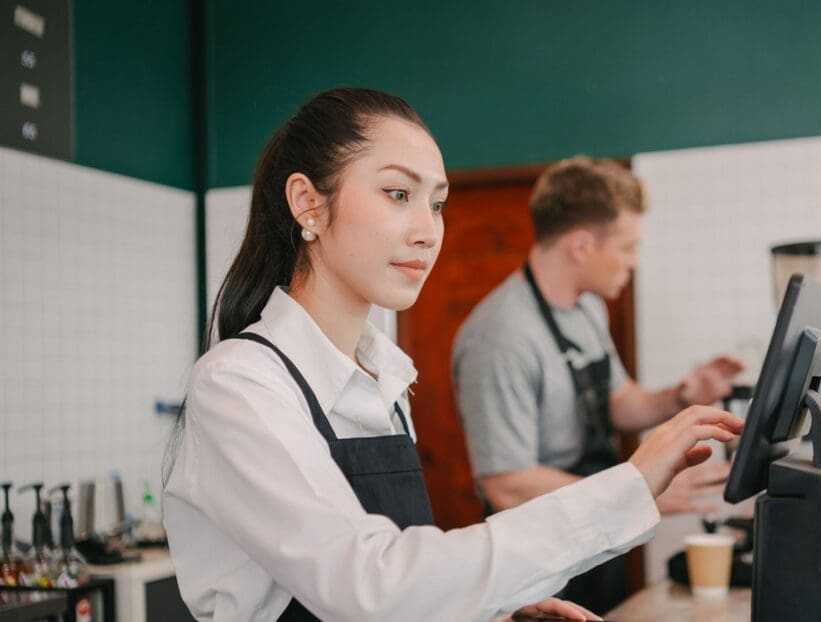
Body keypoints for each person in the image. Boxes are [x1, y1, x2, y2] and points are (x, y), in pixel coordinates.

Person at [162, 88, 743, 622]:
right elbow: (367, 587)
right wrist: (631, 483)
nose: (427, 231)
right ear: (308, 204)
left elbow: (404, 576)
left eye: (437, 204)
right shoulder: (239, 385)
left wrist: (490, 611)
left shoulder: (384, 380)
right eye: (398, 194)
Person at [452, 156, 745, 613]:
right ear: (582, 245)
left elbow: (619, 402)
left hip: (593, 540)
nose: (634, 261)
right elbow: (506, 484)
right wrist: (634, 493)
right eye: (628, 247)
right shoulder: (501, 337)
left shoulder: (587, 308)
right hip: (536, 561)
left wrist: (683, 395)